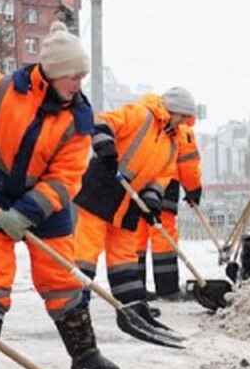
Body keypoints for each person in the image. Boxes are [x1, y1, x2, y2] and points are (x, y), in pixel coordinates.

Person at [0, 22, 115, 369]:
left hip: (45, 207)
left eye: (82, 76)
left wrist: (29, 211)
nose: (78, 84)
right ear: (51, 72)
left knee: (60, 279)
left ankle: (85, 355)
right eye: (72, 76)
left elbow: (67, 177)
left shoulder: (78, 118)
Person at [74, 86, 198, 312]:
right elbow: (102, 123)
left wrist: (151, 200)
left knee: (124, 255)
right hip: (102, 187)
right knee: (86, 250)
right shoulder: (141, 115)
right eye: (182, 117)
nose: (183, 123)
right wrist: (106, 147)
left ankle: (132, 303)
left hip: (129, 201)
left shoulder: (171, 145)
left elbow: (161, 177)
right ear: (173, 110)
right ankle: (75, 304)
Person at [136, 118, 202, 300]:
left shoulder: (146, 123)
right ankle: (167, 288)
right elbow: (188, 164)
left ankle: (134, 289)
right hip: (165, 185)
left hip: (137, 182)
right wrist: (193, 189)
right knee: (163, 236)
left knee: (136, 236)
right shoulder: (183, 131)